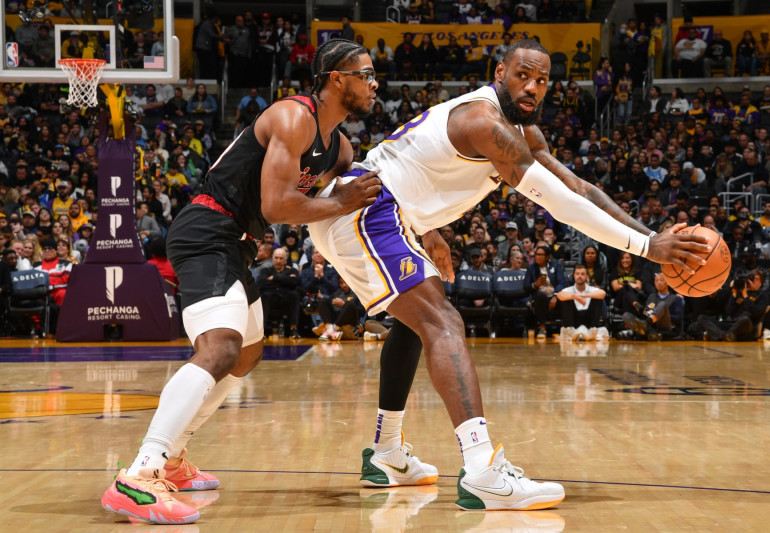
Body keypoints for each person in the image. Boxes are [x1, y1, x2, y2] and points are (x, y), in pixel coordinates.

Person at [307, 39, 707, 511]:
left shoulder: (520, 129)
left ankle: (386, 454)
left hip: (388, 212)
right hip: (365, 205)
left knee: (418, 324)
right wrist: (644, 248)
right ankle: (481, 471)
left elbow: (578, 186)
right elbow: (557, 202)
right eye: (523, 75)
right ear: (500, 72)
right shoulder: (485, 122)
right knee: (444, 323)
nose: (532, 87)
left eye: (542, 80)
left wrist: (653, 238)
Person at [100, 39, 382, 524]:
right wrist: (343, 201)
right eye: (367, 74)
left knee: (247, 353)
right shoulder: (294, 118)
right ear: (338, 78)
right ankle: (140, 474)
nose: (375, 84)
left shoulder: (340, 148)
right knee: (221, 347)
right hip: (207, 227)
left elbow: (359, 193)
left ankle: (175, 459)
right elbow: (278, 207)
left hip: (239, 242)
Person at [621, 271, 684, 340]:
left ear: (668, 283)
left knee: (662, 304)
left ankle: (640, 330)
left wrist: (661, 315)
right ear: (654, 283)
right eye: (656, 281)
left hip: (665, 325)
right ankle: (650, 333)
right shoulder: (651, 297)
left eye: (662, 280)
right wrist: (645, 313)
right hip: (651, 326)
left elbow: (678, 318)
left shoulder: (676, 298)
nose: (659, 283)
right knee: (626, 315)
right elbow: (647, 312)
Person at [556, 264, 606, 330]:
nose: (579, 276)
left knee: (597, 297)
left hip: (589, 320)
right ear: (574, 275)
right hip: (574, 320)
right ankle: (569, 329)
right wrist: (574, 297)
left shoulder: (592, 289)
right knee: (566, 299)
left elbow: (603, 294)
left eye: (582, 274)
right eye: (577, 274)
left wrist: (583, 295)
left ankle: (594, 328)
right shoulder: (569, 289)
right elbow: (560, 295)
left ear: (587, 276)